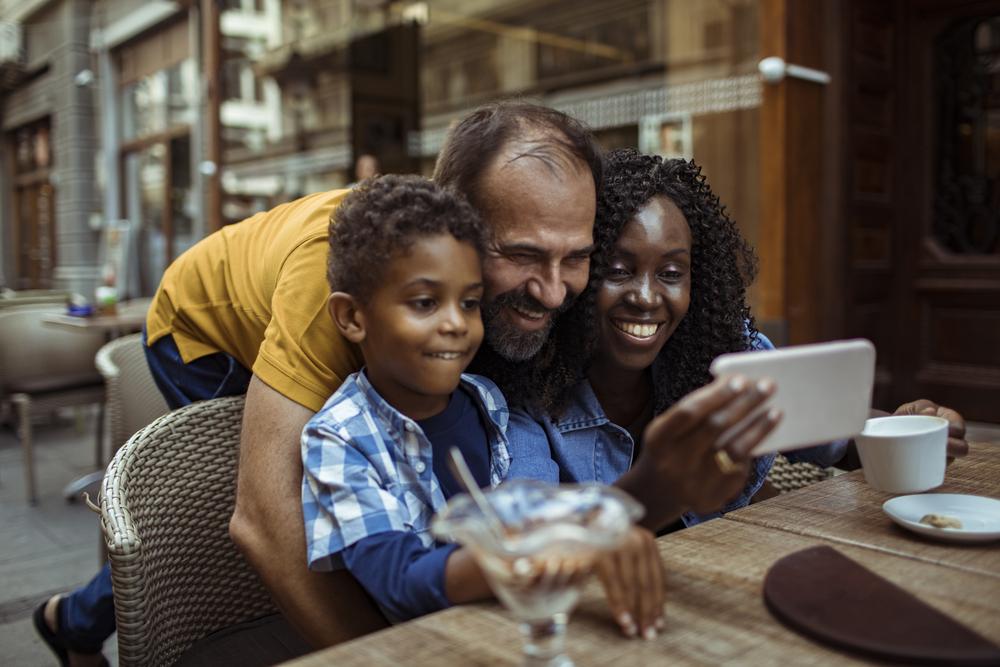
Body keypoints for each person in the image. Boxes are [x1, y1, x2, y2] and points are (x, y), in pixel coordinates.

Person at [34, 101, 607, 665]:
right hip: (201, 337)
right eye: (523, 253)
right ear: (459, 223)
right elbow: (259, 524)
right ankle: (74, 619)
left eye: (575, 258)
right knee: (248, 507)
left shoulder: (454, 289)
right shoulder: (333, 292)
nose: (556, 294)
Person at [507, 149, 968, 539]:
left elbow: (838, 439)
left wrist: (908, 427)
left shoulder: (727, 358)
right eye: (618, 270)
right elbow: (534, 526)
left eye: (671, 274)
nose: (646, 297)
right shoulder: (526, 388)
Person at [303, 174, 663, 630]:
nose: (456, 323)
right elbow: (401, 583)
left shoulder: (487, 401)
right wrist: (545, 550)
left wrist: (586, 529)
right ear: (353, 317)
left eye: (470, 303)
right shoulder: (340, 439)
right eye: (424, 302)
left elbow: (528, 508)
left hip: (515, 626)